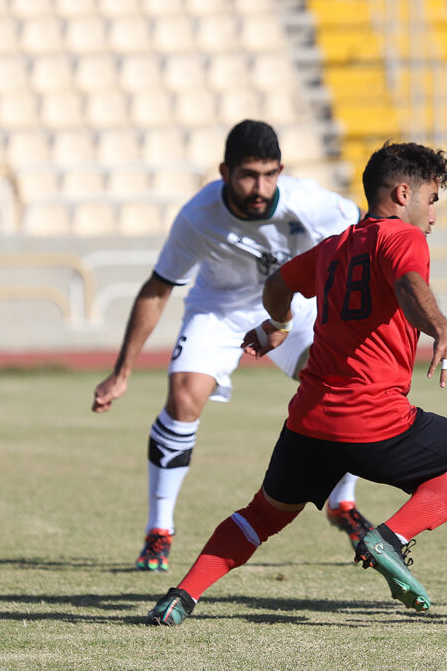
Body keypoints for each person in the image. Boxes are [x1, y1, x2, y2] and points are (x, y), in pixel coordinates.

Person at [147, 141, 447, 625]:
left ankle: (182, 596)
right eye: (433, 199)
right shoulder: (404, 238)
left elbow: (276, 287)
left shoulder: (333, 247)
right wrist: (445, 330)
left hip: (310, 420)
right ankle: (390, 538)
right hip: (375, 421)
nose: (434, 214)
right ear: (402, 192)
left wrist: (277, 325)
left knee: (262, 515)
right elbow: (410, 285)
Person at [91, 119, 371, 572]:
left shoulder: (313, 203)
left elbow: (369, 236)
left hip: (292, 307)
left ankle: (342, 502)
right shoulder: (198, 216)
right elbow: (157, 288)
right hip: (220, 309)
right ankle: (159, 531)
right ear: (224, 171)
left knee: (351, 386)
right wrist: (121, 372)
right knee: (183, 397)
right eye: (247, 175)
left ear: (281, 170)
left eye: (269, 174)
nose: (259, 186)